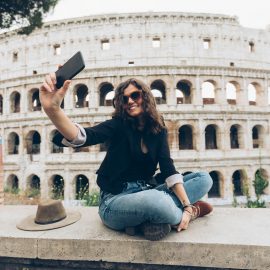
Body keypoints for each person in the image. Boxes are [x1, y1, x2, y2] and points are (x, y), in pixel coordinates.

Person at [40, 75, 213, 241]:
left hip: (146, 192)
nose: (130, 101)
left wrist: (186, 204)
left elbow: (169, 170)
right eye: (124, 99)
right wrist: (53, 109)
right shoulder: (117, 125)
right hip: (114, 202)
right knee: (159, 201)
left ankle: (150, 220)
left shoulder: (158, 130)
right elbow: (85, 136)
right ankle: (183, 214)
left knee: (204, 178)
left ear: (146, 97)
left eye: (135, 95)